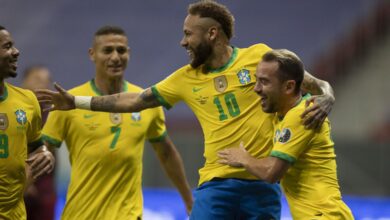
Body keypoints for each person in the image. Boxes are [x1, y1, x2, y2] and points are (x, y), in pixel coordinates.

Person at [36, 1, 335, 219]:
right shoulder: (184, 79)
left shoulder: (258, 57)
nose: (183, 42)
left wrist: (328, 96)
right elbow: (136, 100)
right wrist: (76, 102)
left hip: (262, 186)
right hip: (215, 186)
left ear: (213, 34)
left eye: (189, 34)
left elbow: (309, 82)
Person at [40, 26, 193, 220]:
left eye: (121, 50)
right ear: (92, 54)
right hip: (81, 214)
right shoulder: (69, 103)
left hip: (129, 215)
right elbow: (41, 154)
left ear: (128, 54)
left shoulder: (146, 102)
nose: (115, 57)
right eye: (107, 50)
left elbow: (166, 153)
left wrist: (189, 200)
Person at [218, 49, 354, 219]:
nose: (256, 89)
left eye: (264, 82)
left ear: (289, 86)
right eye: (256, 81)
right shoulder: (282, 112)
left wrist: (243, 158)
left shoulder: (301, 116)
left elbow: (271, 173)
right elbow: (309, 81)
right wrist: (327, 92)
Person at [0, 25, 55, 220]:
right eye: (7, 46)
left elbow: (37, 148)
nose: (16, 52)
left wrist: (45, 155)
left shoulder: (27, 102)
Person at [22, 65, 56, 220]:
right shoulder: (13, 111)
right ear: (24, 82)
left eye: (46, 81)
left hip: (44, 190)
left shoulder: (53, 114)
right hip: (15, 188)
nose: (42, 85)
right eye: (37, 79)